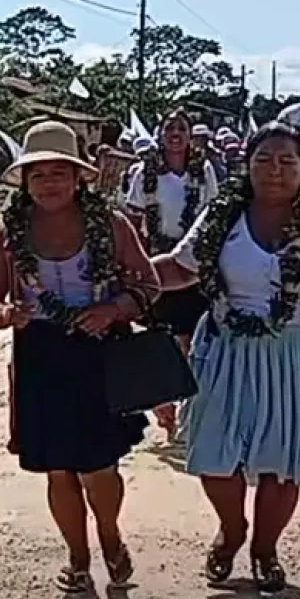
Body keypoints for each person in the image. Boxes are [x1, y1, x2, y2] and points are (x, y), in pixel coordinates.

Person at [151, 122, 300, 593]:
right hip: (227, 348)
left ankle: (265, 549)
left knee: (282, 462)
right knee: (214, 455)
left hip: (298, 354)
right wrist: (126, 278)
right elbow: (179, 267)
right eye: (264, 160)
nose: (275, 170)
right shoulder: (221, 214)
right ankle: (232, 529)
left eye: (287, 161)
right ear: (246, 166)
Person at [0, 121, 160, 593]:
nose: (49, 183)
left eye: (60, 172)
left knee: (99, 467)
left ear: (80, 178)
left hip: (99, 354)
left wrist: (112, 308)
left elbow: (148, 286)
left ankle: (110, 536)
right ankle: (77, 558)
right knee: (58, 467)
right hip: (40, 354)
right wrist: (3, 314)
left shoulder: (111, 225)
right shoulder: (10, 231)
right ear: (25, 182)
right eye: (39, 175)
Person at [126, 109, 221, 435]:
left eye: (181, 128)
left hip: (192, 262)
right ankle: (164, 409)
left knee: (189, 338)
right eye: (169, 128)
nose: (175, 134)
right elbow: (134, 220)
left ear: (190, 134)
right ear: (160, 133)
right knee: (158, 337)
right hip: (156, 261)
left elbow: (213, 214)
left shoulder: (203, 169)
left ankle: (189, 408)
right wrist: (136, 262)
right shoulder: (144, 172)